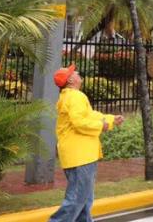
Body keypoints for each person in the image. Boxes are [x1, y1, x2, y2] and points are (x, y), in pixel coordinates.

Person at [50, 64, 124, 222]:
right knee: (76, 200)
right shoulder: (75, 96)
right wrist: (101, 126)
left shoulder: (70, 96)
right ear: (70, 80)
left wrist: (110, 120)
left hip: (79, 156)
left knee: (84, 202)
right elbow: (80, 122)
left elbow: (89, 115)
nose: (77, 73)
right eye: (74, 72)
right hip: (80, 156)